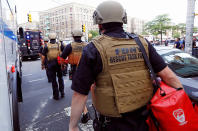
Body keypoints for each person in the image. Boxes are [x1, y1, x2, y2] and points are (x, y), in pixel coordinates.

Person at [69, 1, 183, 131]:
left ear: (99, 23)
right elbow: (168, 75)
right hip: (145, 119)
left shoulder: (93, 48)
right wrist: (182, 100)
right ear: (123, 19)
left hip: (113, 124)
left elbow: (80, 94)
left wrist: (73, 126)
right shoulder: (142, 42)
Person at [60, 29, 90, 124]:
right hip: (87, 71)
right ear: (81, 36)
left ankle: (85, 112)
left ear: (73, 36)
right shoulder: (87, 45)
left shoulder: (70, 46)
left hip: (75, 70)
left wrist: (63, 64)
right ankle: (85, 111)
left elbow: (61, 58)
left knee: (79, 92)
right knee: (84, 91)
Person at [42, 33, 65, 100]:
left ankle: (56, 95)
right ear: (55, 37)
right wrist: (63, 63)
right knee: (60, 78)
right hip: (58, 63)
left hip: (51, 64)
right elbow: (64, 52)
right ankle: (62, 92)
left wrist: (42, 64)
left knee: (54, 80)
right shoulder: (60, 44)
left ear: (49, 38)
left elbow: (43, 57)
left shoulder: (46, 46)